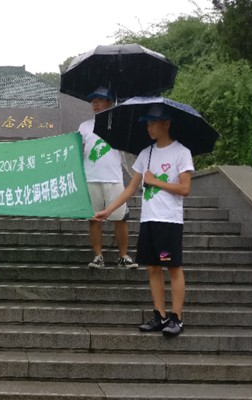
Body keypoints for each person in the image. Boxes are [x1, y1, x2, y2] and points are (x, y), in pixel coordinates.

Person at [93, 104, 194, 336]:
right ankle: (160, 315)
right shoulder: (146, 153)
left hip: (168, 222)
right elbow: (130, 188)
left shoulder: (181, 152)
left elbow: (185, 188)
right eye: (147, 123)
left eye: (153, 123)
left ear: (166, 123)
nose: (149, 127)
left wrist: (156, 182)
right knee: (152, 268)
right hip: (149, 221)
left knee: (172, 267)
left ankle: (176, 318)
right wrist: (108, 211)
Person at [79, 86, 137, 269]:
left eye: (100, 100)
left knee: (120, 218)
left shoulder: (118, 125)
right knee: (94, 218)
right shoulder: (85, 126)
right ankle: (98, 256)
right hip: (91, 177)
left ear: (110, 102)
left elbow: (128, 146)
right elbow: (79, 150)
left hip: (113, 178)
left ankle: (123, 256)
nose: (95, 104)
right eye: (93, 100)